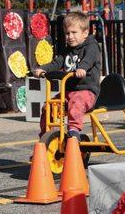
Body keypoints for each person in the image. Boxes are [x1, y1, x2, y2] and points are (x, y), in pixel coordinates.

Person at [34, 12, 101, 140]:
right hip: (68, 93)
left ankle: (73, 131)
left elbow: (89, 59)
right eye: (67, 33)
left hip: (87, 92)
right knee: (48, 107)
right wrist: (43, 69)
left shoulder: (92, 47)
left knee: (76, 103)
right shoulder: (67, 50)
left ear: (85, 33)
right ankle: (46, 137)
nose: (70, 36)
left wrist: (82, 68)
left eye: (74, 32)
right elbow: (57, 62)